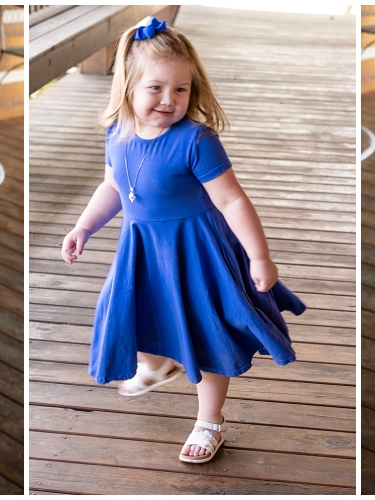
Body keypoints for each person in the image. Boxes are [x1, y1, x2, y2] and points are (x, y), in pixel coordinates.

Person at [61, 17, 306, 463]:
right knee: (139, 312)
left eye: (181, 89)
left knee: (207, 331)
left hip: (197, 253)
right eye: (156, 88)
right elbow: (113, 188)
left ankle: (209, 421)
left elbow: (232, 201)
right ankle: (159, 362)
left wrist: (260, 256)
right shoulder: (118, 134)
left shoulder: (196, 140)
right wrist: (83, 227)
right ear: (128, 86)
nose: (169, 100)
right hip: (144, 252)